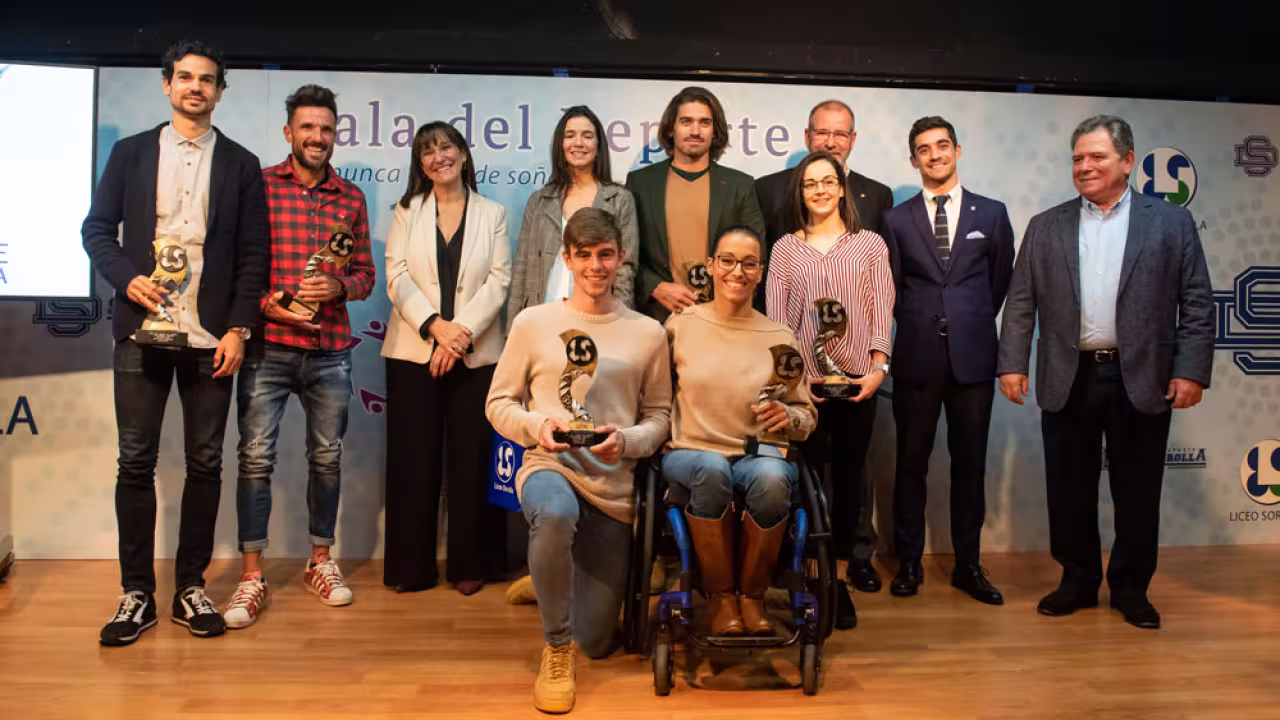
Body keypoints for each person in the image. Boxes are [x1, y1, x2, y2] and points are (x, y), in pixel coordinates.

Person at [997, 115, 1214, 629]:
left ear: (1128, 161)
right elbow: (1021, 302)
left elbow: (1198, 304)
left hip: (1142, 376)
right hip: (1067, 375)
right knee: (1068, 488)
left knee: (1138, 491)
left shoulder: (1171, 223)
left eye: (1096, 156)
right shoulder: (1045, 225)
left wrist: (1191, 372)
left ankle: (1131, 588)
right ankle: (1076, 580)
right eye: (1077, 158)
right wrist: (1011, 363)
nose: (1084, 166)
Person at [83, 40, 267, 646]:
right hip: (141, 329)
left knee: (205, 463)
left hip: (210, 336)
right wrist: (124, 277)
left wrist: (240, 328)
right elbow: (96, 230)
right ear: (166, 85)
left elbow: (252, 257)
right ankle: (136, 592)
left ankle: (190, 587)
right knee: (134, 461)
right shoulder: (131, 153)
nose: (196, 87)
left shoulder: (241, 164)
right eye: (185, 77)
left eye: (207, 80)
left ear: (220, 91)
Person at [486, 207, 671, 713]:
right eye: (584, 255)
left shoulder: (648, 333)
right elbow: (498, 403)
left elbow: (659, 416)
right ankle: (556, 647)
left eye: (605, 255)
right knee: (556, 515)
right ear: (567, 258)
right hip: (550, 468)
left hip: (613, 490)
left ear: (622, 258)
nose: (595, 266)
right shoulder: (533, 322)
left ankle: (552, 572)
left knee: (599, 639)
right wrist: (536, 427)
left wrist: (628, 440)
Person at [221, 84, 376, 629]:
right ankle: (251, 574)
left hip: (331, 349)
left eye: (327, 129)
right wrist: (271, 305)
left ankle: (319, 561)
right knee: (255, 459)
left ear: (336, 135)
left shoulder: (352, 199)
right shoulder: (258, 188)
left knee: (327, 459)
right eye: (307, 128)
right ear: (289, 133)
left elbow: (366, 275)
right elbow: (242, 267)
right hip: (267, 347)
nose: (317, 137)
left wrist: (339, 287)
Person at [880, 116, 1014, 604]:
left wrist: (966, 318)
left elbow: (1000, 282)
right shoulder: (896, 219)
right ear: (913, 159)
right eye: (923, 149)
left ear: (957, 150)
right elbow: (890, 289)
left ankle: (968, 564)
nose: (934, 155)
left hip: (973, 359)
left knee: (970, 465)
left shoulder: (992, 214)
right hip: (916, 357)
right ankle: (910, 561)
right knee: (910, 465)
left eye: (942, 146)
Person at [663, 225, 816, 636]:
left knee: (773, 477)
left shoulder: (780, 336)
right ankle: (721, 598)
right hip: (690, 451)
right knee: (710, 470)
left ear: (761, 271)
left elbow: (805, 415)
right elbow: (655, 400)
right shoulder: (680, 325)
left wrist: (791, 417)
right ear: (711, 266)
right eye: (727, 261)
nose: (737, 271)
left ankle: (752, 597)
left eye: (749, 263)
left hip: (756, 455)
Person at [382, 121, 512, 595]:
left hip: (475, 357)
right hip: (413, 351)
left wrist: (458, 339)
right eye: (429, 151)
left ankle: (471, 564)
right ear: (420, 164)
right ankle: (410, 568)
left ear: (462, 152)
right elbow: (396, 277)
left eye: (447, 147)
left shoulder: (492, 212)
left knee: (472, 460)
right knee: (413, 462)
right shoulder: (406, 210)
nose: (439, 157)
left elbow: (499, 280)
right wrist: (435, 327)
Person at [766, 151, 894, 616]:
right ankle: (809, 580)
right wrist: (792, 384)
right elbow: (779, 327)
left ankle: (837, 583)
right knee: (805, 486)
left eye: (827, 181)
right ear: (800, 193)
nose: (819, 190)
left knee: (848, 484)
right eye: (809, 183)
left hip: (858, 386)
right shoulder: (784, 250)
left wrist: (877, 370)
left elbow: (883, 309)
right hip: (807, 392)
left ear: (842, 188)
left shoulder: (870, 246)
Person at [626, 86, 764, 323]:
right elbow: (626, 254)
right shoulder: (641, 183)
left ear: (715, 132)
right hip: (657, 317)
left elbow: (756, 254)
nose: (695, 131)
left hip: (722, 318)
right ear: (671, 129)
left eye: (704, 123)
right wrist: (656, 287)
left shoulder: (740, 185)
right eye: (686, 121)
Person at [754, 99, 893, 316]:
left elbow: (880, 281)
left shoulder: (879, 195)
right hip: (785, 326)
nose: (830, 143)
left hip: (857, 334)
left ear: (852, 139)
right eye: (821, 133)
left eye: (840, 134)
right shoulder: (768, 189)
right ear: (807, 136)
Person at [507, 105, 639, 327]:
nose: (578, 143)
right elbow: (522, 268)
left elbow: (625, 270)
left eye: (587, 136)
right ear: (561, 145)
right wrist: (512, 330)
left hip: (597, 317)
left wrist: (619, 326)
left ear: (598, 145)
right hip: (542, 316)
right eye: (570, 136)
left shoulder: (620, 199)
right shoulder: (539, 201)